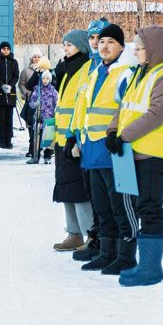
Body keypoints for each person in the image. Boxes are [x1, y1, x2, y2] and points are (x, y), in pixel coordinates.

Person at [106, 25, 163, 287]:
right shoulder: (141, 74)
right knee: (137, 207)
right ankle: (142, 263)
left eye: (139, 47)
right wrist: (112, 131)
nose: (136, 51)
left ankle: (150, 268)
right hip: (132, 153)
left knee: (150, 208)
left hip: (152, 155)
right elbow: (124, 106)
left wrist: (123, 136)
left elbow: (155, 115)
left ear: (152, 49)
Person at [71, 23, 134, 272]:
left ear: (121, 46)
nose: (104, 46)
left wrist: (120, 135)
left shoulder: (126, 72)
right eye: (102, 41)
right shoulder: (97, 71)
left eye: (111, 42)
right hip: (94, 149)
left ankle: (126, 255)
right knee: (102, 206)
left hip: (119, 149)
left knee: (122, 206)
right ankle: (107, 252)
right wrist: (76, 139)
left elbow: (128, 108)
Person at [51, 29, 93, 252]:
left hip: (76, 139)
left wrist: (75, 137)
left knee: (78, 189)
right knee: (65, 187)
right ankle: (73, 232)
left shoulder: (86, 68)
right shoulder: (67, 69)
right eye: (64, 44)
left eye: (69, 44)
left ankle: (89, 234)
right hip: (62, 138)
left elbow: (82, 105)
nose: (65, 48)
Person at [0, 41, 20, 149]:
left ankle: (8, 141)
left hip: (10, 95)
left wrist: (11, 86)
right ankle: (1, 140)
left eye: (7, 48)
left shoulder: (14, 62)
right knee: (1, 118)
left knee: (9, 119)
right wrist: (2, 85)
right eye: (4, 48)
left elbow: (16, 75)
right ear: (0, 50)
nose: (6, 50)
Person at [27, 71, 57, 165]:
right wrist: (36, 103)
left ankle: (47, 156)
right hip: (39, 118)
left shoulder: (53, 90)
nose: (45, 80)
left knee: (48, 139)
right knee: (37, 138)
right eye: (43, 78)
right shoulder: (37, 90)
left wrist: (56, 111)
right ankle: (35, 156)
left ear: (50, 80)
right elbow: (31, 103)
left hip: (49, 118)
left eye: (47, 78)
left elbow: (57, 102)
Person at [17, 48, 43, 153]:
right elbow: (21, 84)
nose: (36, 59)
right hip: (31, 100)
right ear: (31, 59)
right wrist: (27, 93)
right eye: (34, 57)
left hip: (42, 101)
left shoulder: (44, 69)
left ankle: (40, 147)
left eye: (38, 57)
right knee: (31, 125)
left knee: (41, 125)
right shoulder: (26, 71)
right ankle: (31, 148)